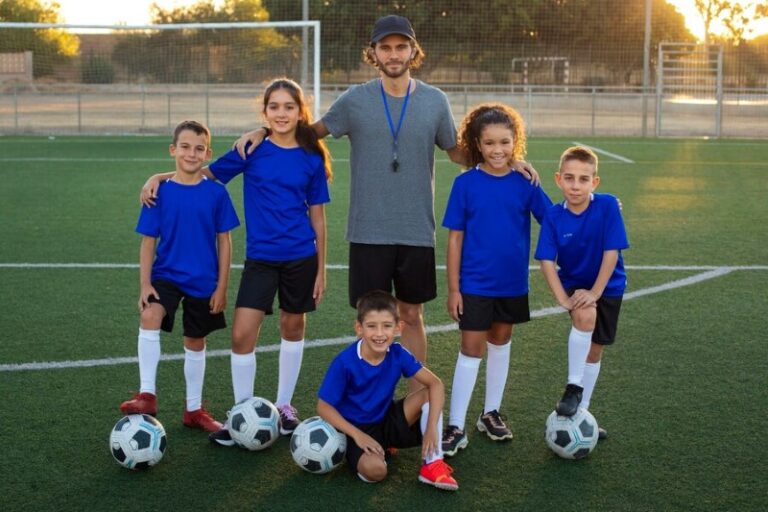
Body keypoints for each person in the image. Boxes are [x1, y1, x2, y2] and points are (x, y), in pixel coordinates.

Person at [225, 15, 540, 382]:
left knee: (410, 316)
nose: (394, 54)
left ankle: (417, 397)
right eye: (385, 47)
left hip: (415, 231)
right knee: (372, 319)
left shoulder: (434, 101)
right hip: (368, 230)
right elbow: (306, 134)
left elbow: (456, 152)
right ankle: (370, 395)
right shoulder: (355, 100)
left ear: (413, 51)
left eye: (401, 46)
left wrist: (507, 158)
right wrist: (263, 130)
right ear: (373, 53)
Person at [139, 79, 332, 444]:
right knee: (242, 334)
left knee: (293, 327)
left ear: (300, 111)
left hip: (301, 257)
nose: (281, 113)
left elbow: (318, 217)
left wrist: (321, 268)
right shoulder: (251, 149)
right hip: (260, 258)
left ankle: (285, 406)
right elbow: (202, 174)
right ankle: (243, 414)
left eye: (288, 106)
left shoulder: (311, 156)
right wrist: (160, 176)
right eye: (273, 107)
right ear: (265, 112)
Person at [440, 104, 552, 457]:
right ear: (477, 143)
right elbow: (455, 238)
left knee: (500, 343)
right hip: (474, 284)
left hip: (511, 283)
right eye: (489, 143)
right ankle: (455, 425)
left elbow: (554, 219)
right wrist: (454, 288)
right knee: (470, 349)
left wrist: (601, 207)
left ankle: (490, 413)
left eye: (505, 142)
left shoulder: (526, 183)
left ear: (515, 142)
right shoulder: (465, 184)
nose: (498, 150)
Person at [120, 120, 240, 434]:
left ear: (207, 153)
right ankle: (147, 395)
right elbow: (148, 242)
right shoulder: (158, 192)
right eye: (185, 147)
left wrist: (222, 287)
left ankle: (194, 409)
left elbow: (225, 241)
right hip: (166, 276)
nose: (191, 153)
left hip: (204, 279)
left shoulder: (216, 193)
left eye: (199, 148)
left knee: (195, 341)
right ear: (173, 150)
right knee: (150, 315)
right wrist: (145, 284)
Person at [317, 290, 458, 491]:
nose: (380, 334)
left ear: (398, 328)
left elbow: (436, 384)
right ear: (359, 328)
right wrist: (358, 436)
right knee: (377, 472)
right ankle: (372, 451)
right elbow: (323, 407)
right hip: (354, 429)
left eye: (387, 326)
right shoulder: (344, 363)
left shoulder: (398, 353)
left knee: (428, 394)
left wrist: (432, 427)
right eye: (371, 326)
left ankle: (432, 464)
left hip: (384, 419)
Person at [534, 146, 629, 439]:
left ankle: (581, 413)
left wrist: (597, 291)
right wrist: (563, 297)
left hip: (608, 284)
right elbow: (546, 260)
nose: (576, 185)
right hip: (575, 281)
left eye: (583, 179)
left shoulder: (608, 205)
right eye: (570, 178)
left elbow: (611, 252)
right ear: (558, 179)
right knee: (585, 315)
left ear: (594, 182)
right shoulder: (553, 215)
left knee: (596, 349)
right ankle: (574, 386)